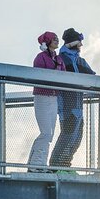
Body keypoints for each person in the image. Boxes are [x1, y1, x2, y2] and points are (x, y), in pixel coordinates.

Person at [50, 27, 96, 170]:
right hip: (67, 104)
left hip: (78, 104)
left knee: (77, 137)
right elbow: (57, 77)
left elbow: (92, 77)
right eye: (79, 43)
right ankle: (55, 166)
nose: (81, 46)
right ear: (72, 43)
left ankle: (65, 165)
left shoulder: (79, 61)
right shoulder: (61, 59)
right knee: (68, 135)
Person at [27, 32, 63, 169]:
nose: (57, 41)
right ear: (47, 42)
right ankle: (36, 164)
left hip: (53, 97)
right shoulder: (40, 58)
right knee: (46, 132)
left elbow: (64, 76)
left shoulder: (58, 59)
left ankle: (39, 163)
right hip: (42, 96)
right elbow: (38, 75)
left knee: (50, 133)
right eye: (54, 39)